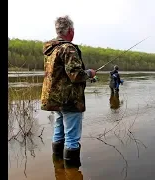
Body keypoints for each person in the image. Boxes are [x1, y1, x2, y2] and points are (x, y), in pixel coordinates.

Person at [40, 15, 96, 169]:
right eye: (73, 30)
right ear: (70, 31)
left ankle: (58, 167)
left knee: (59, 132)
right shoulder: (67, 48)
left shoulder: (50, 50)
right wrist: (90, 73)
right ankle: (72, 172)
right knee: (71, 138)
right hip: (69, 100)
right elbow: (76, 75)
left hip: (55, 100)